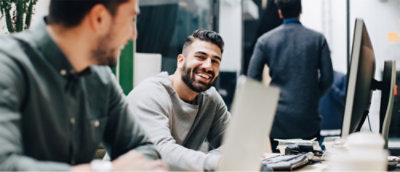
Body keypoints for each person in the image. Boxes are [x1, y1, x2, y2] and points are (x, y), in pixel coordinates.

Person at [0, 0, 168, 171]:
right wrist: (105, 170)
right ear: (99, 18)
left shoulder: (101, 79)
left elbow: (144, 149)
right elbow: (5, 165)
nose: (133, 35)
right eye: (132, 19)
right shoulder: (7, 66)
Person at [127, 30, 231, 171]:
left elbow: (234, 143)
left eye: (215, 61)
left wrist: (221, 160)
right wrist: (216, 162)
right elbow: (162, 153)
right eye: (200, 57)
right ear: (181, 61)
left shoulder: (211, 99)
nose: (208, 66)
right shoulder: (150, 93)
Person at [247, 0, 333, 150]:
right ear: (300, 11)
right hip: (308, 119)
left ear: (280, 13)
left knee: (280, 163)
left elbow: (252, 79)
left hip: (278, 119)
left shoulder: (265, 40)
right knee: (308, 163)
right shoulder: (318, 39)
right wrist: (311, 96)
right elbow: (327, 78)